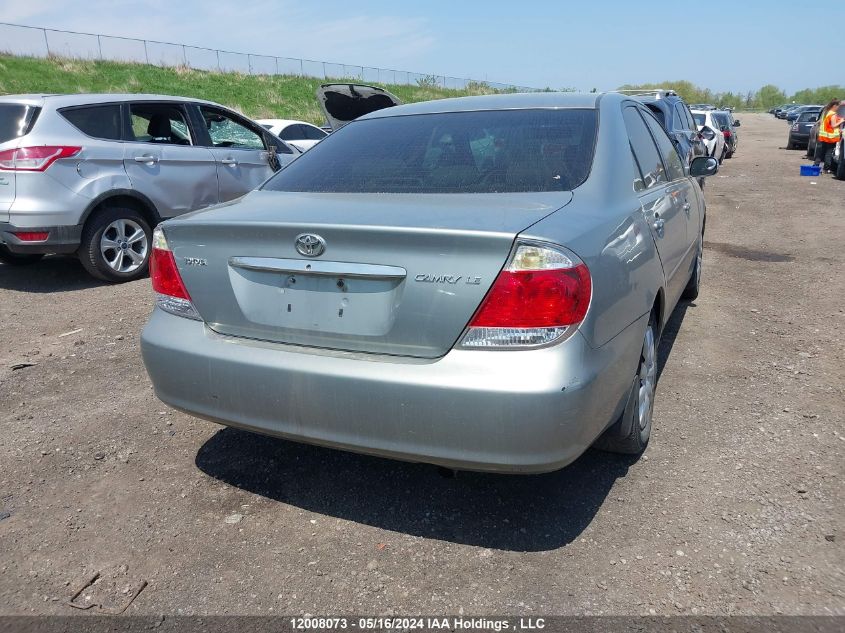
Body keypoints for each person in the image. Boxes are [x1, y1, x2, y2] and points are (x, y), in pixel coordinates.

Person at [814, 99, 844, 173]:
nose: (838, 108)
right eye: (838, 106)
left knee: (820, 152)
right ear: (834, 106)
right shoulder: (833, 114)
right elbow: (833, 125)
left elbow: (824, 123)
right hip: (830, 137)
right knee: (828, 153)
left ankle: (816, 166)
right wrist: (841, 121)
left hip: (823, 135)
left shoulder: (826, 112)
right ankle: (826, 169)